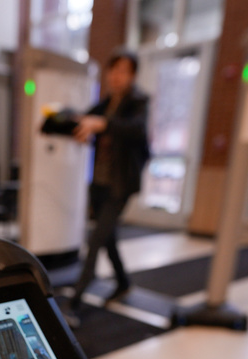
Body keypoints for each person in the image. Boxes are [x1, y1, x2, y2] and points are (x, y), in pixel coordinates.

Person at [64, 48, 151, 328]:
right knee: (108, 237)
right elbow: (82, 120)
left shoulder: (138, 102)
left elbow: (135, 129)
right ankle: (123, 283)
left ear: (133, 75)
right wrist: (61, 122)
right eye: (113, 69)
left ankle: (74, 303)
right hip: (99, 183)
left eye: (123, 71)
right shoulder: (104, 104)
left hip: (120, 185)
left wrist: (102, 124)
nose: (116, 76)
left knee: (96, 240)